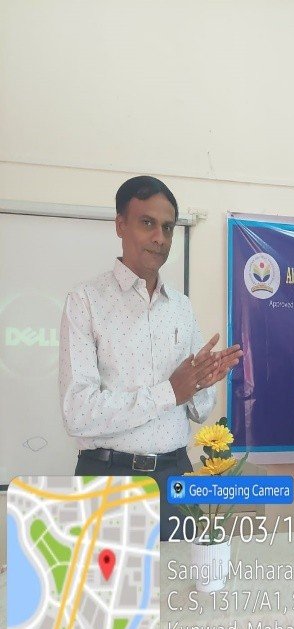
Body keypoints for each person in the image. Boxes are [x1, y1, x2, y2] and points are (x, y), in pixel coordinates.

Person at [59, 176, 242, 540]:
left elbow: (199, 411)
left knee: (181, 578)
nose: (160, 237)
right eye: (147, 223)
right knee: (111, 580)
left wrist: (200, 384)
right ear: (120, 225)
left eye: (168, 227)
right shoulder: (85, 301)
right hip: (110, 479)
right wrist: (170, 392)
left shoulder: (181, 307)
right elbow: (77, 413)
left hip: (176, 476)